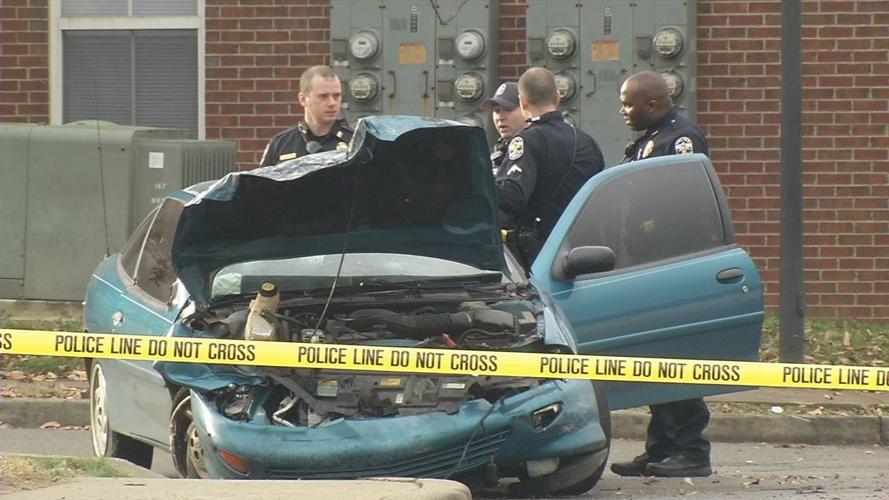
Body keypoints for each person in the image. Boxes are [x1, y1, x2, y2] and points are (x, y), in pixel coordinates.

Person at [610, 70, 713, 478]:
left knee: (676, 359)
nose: (623, 110)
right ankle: (661, 449)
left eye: (628, 103)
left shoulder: (681, 139)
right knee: (654, 360)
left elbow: (681, 208)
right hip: (648, 268)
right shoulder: (651, 139)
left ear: (652, 104)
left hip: (672, 268)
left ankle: (692, 449)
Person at [495, 67, 605, 265]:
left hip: (539, 256)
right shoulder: (587, 142)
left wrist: (478, 183)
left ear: (523, 102)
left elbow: (513, 195)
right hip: (584, 252)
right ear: (558, 97)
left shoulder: (527, 141)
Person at [259, 66, 353, 167]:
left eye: (336, 96)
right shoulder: (282, 144)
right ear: (303, 99)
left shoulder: (354, 141)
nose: (332, 103)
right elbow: (260, 181)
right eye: (323, 96)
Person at [480, 82, 526, 174]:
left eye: (508, 109)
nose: (500, 117)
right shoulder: (493, 154)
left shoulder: (538, 149)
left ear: (525, 108)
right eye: (496, 111)